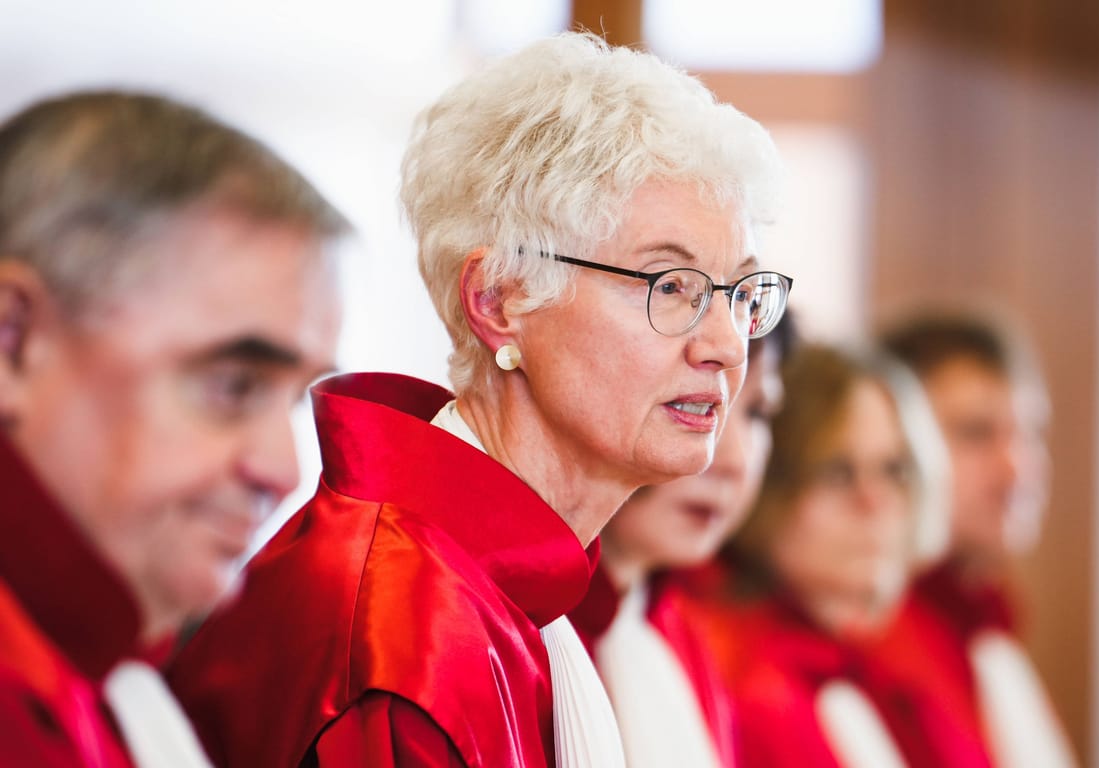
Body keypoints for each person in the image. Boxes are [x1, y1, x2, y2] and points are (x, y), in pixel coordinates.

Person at [168, 32, 789, 768]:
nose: (722, 343)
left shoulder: (517, 588)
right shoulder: (406, 633)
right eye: (670, 286)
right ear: (498, 300)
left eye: (740, 292)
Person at [0, 91, 346, 766]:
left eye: (295, 400)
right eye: (234, 386)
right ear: (14, 342)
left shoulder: (106, 667)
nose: (285, 470)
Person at [690, 343, 992, 767]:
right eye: (837, 471)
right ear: (770, 483)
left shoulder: (904, 655)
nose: (874, 501)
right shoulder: (736, 672)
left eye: (894, 470)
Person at [568, 315, 793, 768]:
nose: (731, 459)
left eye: (756, 413)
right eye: (693, 403)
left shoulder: (682, 631)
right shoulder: (526, 631)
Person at [882, 313, 1075, 767]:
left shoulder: (986, 630)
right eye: (976, 433)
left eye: (1030, 434)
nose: (1017, 468)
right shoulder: (876, 644)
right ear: (896, 446)